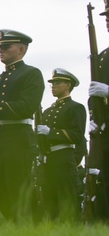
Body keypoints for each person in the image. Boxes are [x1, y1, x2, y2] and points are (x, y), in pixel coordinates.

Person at [0, 29, 45, 221]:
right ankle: (2, 234)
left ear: (21, 49)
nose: (0, 50)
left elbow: (27, 108)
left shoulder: (31, 74)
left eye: (6, 47)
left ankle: (23, 231)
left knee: (17, 189)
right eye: (0, 47)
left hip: (18, 138)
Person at [39, 69, 86, 220]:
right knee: (49, 202)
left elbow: (77, 135)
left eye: (57, 83)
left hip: (64, 158)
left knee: (67, 200)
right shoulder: (47, 111)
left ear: (67, 85)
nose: (53, 86)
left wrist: (51, 133)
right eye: (52, 83)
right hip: (48, 160)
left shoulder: (75, 108)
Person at [88, 0, 109, 219]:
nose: (107, 20)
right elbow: (94, 91)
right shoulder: (103, 56)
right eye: (106, 16)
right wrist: (93, 115)